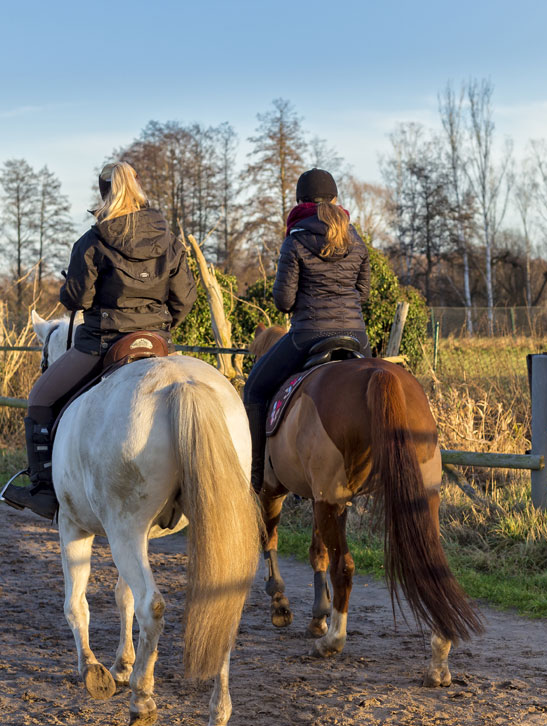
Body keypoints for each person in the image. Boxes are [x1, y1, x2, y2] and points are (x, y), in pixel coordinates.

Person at [2, 162, 196, 518]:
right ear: (138, 189)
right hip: (155, 342)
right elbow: (185, 299)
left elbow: (77, 300)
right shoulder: (169, 240)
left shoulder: (93, 241)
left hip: (103, 343)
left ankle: (43, 489)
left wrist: (68, 287)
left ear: (105, 193)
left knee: (40, 400)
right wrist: (160, 328)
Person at [244, 168, 371, 493]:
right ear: (334, 199)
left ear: (300, 200)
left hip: (308, 336)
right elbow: (364, 293)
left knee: (255, 390)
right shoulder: (355, 238)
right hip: (357, 336)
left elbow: (284, 301)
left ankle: (254, 476)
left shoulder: (296, 239)